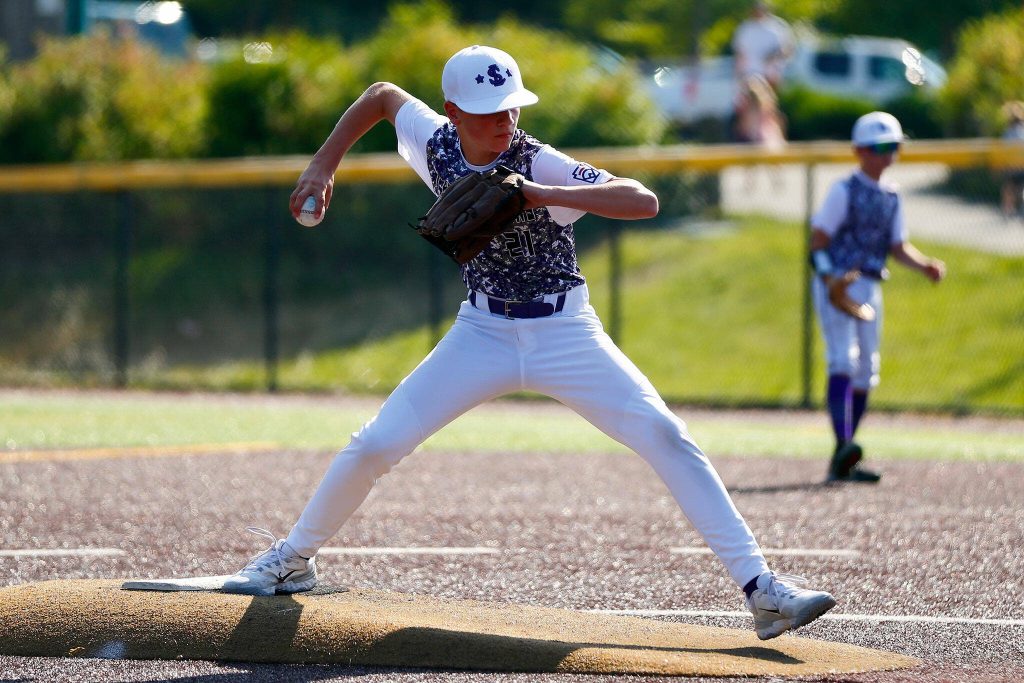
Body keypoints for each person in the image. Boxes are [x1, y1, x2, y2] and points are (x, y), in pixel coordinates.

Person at [221, 44, 836, 640]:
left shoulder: (536, 160)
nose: (505, 121)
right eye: (489, 112)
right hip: (481, 332)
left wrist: (545, 193)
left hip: (565, 331)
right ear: (454, 112)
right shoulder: (437, 143)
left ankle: (762, 591)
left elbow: (641, 199)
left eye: (512, 106)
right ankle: (291, 559)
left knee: (667, 437)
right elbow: (382, 97)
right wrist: (323, 163)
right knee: (376, 444)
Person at [809, 111, 946, 483]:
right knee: (842, 360)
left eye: (893, 147)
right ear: (860, 151)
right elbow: (818, 240)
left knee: (867, 370)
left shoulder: (891, 195)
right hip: (837, 280)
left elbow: (897, 246)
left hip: (869, 284)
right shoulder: (844, 190)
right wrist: (828, 280)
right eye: (879, 147)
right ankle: (843, 446)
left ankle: (846, 456)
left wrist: (924, 266)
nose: (887, 155)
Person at [732, 1, 794, 91]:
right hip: (749, 73)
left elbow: (787, 48)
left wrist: (774, 55)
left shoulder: (776, 28)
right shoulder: (745, 29)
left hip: (770, 74)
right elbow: (739, 52)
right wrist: (739, 72)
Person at [999, 100, 1024, 220]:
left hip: (1016, 167)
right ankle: (1010, 210)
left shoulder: (1014, 131)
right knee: (1011, 189)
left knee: (1011, 189)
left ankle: (1010, 210)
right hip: (1015, 167)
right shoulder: (1011, 131)